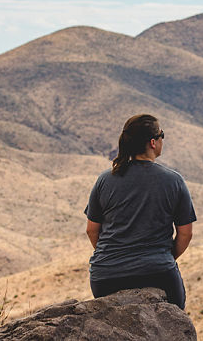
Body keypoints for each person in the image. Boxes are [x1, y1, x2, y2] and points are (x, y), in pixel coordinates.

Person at [84, 114, 196, 309]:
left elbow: (92, 230)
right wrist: (161, 258)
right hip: (157, 273)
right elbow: (185, 234)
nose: (162, 139)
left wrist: (115, 257)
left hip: (104, 277)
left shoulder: (104, 180)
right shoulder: (174, 181)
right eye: (162, 135)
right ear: (153, 142)